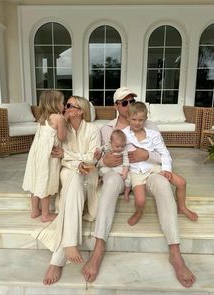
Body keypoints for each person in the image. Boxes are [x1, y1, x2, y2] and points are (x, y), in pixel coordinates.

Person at [82, 86, 196, 288]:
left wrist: (147, 155)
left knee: (162, 183)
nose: (129, 105)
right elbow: (97, 159)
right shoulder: (106, 129)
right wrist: (104, 163)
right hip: (120, 173)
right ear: (116, 106)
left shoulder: (149, 126)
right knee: (109, 184)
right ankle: (99, 247)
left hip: (146, 171)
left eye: (132, 100)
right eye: (124, 102)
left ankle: (175, 252)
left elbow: (162, 155)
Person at [32, 96, 101, 285]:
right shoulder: (61, 127)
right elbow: (56, 156)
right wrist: (76, 162)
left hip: (89, 174)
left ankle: (58, 258)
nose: (66, 108)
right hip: (69, 173)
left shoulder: (93, 129)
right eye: (66, 105)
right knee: (73, 177)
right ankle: (68, 245)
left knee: (78, 178)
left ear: (80, 111)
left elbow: (92, 159)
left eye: (70, 106)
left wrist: (72, 158)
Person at [123, 101, 198, 226]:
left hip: (153, 167)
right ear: (128, 118)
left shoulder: (153, 135)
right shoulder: (123, 134)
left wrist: (167, 170)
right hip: (137, 171)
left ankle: (181, 207)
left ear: (146, 119)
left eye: (141, 120)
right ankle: (138, 212)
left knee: (182, 182)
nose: (137, 123)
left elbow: (164, 153)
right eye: (134, 119)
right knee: (140, 201)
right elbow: (114, 146)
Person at [22, 90, 67, 222]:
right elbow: (62, 137)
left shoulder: (43, 117)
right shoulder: (59, 118)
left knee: (36, 180)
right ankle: (46, 215)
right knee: (45, 183)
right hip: (48, 156)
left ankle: (35, 210)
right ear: (55, 104)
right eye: (62, 103)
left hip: (36, 155)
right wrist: (66, 121)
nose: (64, 106)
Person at [95, 129, 131, 202]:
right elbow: (102, 148)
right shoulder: (108, 146)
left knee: (128, 180)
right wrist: (98, 150)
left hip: (119, 168)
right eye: (117, 146)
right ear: (111, 143)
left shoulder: (124, 151)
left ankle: (126, 193)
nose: (120, 149)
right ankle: (100, 179)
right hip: (109, 168)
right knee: (101, 171)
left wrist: (125, 172)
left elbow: (126, 162)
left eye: (122, 146)